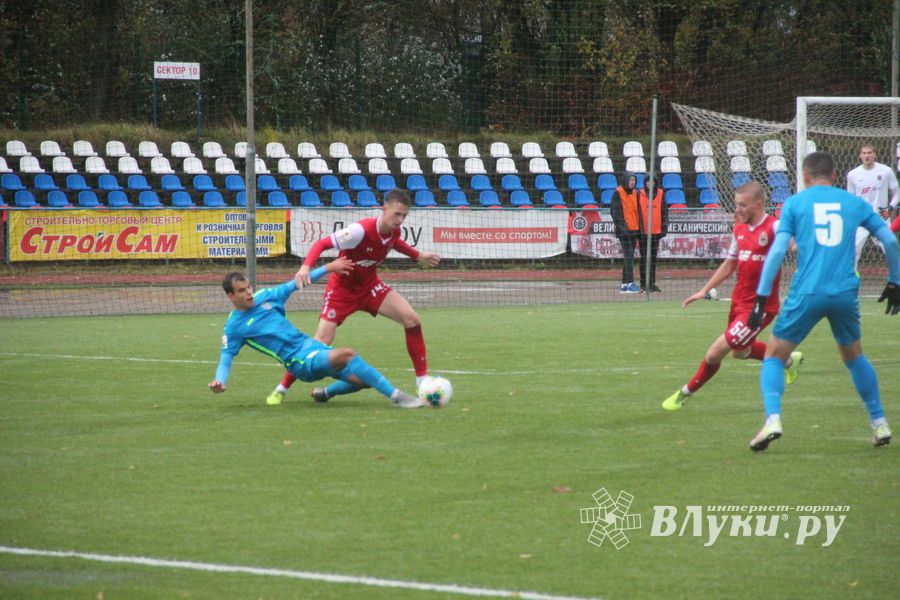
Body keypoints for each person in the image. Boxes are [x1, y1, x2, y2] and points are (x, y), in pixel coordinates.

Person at [748, 151, 900, 451]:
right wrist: (895, 280)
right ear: (834, 176)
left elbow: (778, 252)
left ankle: (773, 419)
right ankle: (879, 421)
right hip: (844, 294)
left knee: (775, 356)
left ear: (805, 177)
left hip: (806, 292)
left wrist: (760, 299)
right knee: (855, 357)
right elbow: (891, 241)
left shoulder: (794, 203)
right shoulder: (854, 203)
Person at [266, 188, 441, 405]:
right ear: (384, 209)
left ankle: (422, 381)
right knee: (320, 343)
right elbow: (322, 244)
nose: (400, 219)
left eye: (404, 215)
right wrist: (305, 268)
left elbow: (395, 243)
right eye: (397, 214)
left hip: (369, 287)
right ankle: (282, 387)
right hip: (342, 292)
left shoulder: (394, 232)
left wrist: (419, 255)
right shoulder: (359, 231)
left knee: (412, 320)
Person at [662, 182, 801, 411]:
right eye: (736, 204)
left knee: (715, 352)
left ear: (759, 204)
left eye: (742, 205)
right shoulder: (739, 228)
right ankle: (787, 360)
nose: (738, 210)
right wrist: (704, 290)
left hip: (760, 307)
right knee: (740, 352)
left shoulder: (774, 227)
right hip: (739, 301)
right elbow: (730, 264)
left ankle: (685, 392)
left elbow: (795, 245)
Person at [209, 261, 424, 409]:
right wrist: (220, 380)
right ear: (230, 296)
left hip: (311, 346)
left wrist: (329, 267)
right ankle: (397, 397)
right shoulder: (234, 328)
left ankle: (325, 393)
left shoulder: (265, 296)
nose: (248, 293)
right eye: (241, 291)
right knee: (347, 354)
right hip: (298, 361)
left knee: (365, 381)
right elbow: (226, 359)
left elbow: (298, 282)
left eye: (248, 287)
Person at [846, 144, 899, 268]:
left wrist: (890, 208)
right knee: (853, 248)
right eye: (864, 153)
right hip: (862, 218)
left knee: (890, 247)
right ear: (860, 156)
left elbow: (897, 193)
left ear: (875, 154)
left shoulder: (886, 171)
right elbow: (850, 198)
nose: (867, 155)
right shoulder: (853, 174)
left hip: (881, 217)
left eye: (870, 153)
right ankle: (850, 278)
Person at [610, 172, 642, 293]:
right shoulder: (618, 193)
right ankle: (630, 283)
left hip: (634, 230)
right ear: (625, 180)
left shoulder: (635, 193)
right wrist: (623, 228)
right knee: (629, 257)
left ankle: (624, 284)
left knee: (629, 257)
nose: (632, 182)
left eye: (634, 179)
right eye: (630, 179)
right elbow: (614, 212)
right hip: (624, 231)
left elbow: (637, 211)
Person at [636, 178, 668, 292]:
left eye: (652, 181)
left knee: (653, 259)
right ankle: (643, 283)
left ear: (655, 182)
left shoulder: (660, 193)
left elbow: (664, 212)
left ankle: (652, 283)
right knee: (644, 258)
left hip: (656, 231)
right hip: (643, 232)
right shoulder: (639, 193)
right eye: (648, 181)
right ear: (645, 183)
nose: (650, 183)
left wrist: (664, 227)